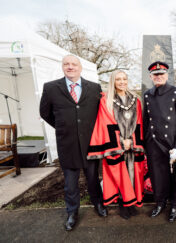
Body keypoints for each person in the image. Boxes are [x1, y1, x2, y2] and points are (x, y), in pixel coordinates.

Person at [40, 55, 107, 231]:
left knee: (93, 178)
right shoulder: (51, 88)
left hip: (91, 143)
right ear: (62, 67)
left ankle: (98, 204)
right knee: (70, 182)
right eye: (66, 64)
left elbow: (101, 113)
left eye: (74, 64)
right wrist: (63, 126)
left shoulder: (94, 88)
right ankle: (72, 213)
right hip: (67, 144)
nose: (70, 67)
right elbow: (45, 113)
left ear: (80, 67)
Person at [87, 70, 145, 220]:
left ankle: (131, 204)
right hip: (116, 145)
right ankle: (123, 205)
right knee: (119, 175)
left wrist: (131, 141)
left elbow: (139, 122)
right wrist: (121, 142)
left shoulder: (135, 100)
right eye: (118, 79)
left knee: (133, 174)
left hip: (132, 145)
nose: (122, 82)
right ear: (113, 81)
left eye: (124, 79)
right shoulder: (106, 100)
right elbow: (106, 123)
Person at [143, 61, 176, 223]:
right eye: (155, 74)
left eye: (162, 74)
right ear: (151, 77)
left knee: (175, 176)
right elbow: (146, 121)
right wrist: (144, 143)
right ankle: (160, 202)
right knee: (157, 175)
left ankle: (174, 204)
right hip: (153, 143)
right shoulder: (147, 94)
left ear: (167, 75)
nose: (159, 77)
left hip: (172, 144)